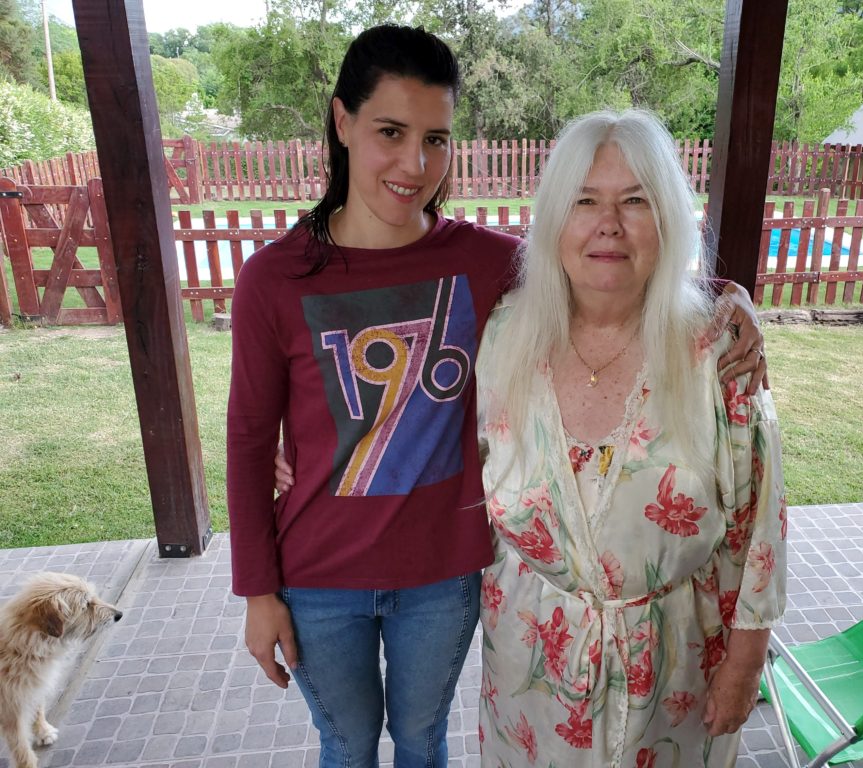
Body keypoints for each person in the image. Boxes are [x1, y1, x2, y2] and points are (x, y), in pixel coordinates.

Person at [233, 24, 768, 768]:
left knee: (421, 741)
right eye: (391, 131)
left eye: (438, 139)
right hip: (321, 573)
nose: (415, 163)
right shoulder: (275, 277)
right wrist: (258, 591)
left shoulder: (482, 262)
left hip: (440, 571)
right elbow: (249, 438)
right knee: (346, 742)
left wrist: (727, 298)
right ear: (342, 120)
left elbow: (608, 264)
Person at [474, 109, 786, 767]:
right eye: (584, 201)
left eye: (635, 201)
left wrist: (746, 662)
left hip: (676, 666)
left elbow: (760, 523)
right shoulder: (505, 333)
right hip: (530, 661)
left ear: (668, 219)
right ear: (555, 218)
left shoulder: (716, 348)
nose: (608, 224)